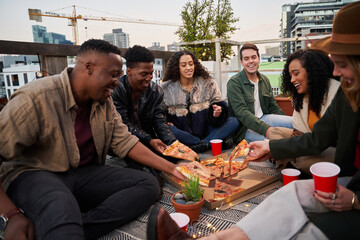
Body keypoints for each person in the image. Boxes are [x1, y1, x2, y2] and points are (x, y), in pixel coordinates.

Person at [148, 1, 360, 239]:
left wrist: (355, 199)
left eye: (341, 65)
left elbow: (261, 111)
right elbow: (245, 115)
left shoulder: (265, 82)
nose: (335, 72)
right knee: (285, 193)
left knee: (312, 229)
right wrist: (270, 139)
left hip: (351, 185)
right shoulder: (347, 91)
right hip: (232, 129)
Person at [0, 39, 184, 240]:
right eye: (113, 75)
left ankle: (71, 229)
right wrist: (11, 215)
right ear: (88, 67)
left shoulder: (104, 101)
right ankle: (61, 223)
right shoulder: (36, 97)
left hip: (82, 174)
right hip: (36, 174)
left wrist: (172, 168)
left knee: (148, 184)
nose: (116, 82)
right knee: (60, 204)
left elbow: (125, 141)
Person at [268, 49, 340, 175]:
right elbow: (298, 133)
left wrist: (282, 149)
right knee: (273, 132)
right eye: (290, 75)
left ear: (312, 72)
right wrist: (284, 145)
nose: (291, 80)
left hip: (328, 147)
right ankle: (289, 162)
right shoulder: (302, 96)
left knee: (304, 161)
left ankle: (285, 162)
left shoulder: (335, 92)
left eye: (296, 74)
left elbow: (322, 140)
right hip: (306, 140)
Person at [161, 50, 239, 153]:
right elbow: (160, 113)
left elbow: (219, 105)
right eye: (184, 65)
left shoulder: (208, 83)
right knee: (167, 129)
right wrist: (166, 121)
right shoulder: (166, 88)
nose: (188, 68)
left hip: (206, 130)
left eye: (191, 64)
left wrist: (218, 113)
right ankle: (208, 142)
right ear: (177, 67)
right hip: (182, 133)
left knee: (233, 121)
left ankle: (201, 144)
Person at [112, 45, 178, 167]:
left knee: (176, 158)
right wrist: (148, 140)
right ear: (129, 71)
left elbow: (160, 121)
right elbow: (123, 124)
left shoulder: (155, 91)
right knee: (144, 168)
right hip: (125, 141)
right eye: (144, 74)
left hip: (150, 138)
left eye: (151, 73)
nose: (149, 78)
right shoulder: (117, 90)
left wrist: (174, 145)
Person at [227, 43, 293, 143]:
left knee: (296, 123)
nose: (251, 61)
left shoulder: (264, 79)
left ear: (259, 59)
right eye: (246, 58)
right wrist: (268, 129)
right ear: (242, 62)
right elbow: (242, 113)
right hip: (246, 129)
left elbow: (273, 106)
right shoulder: (234, 82)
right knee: (280, 141)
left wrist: (282, 123)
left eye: (254, 57)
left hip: (264, 118)